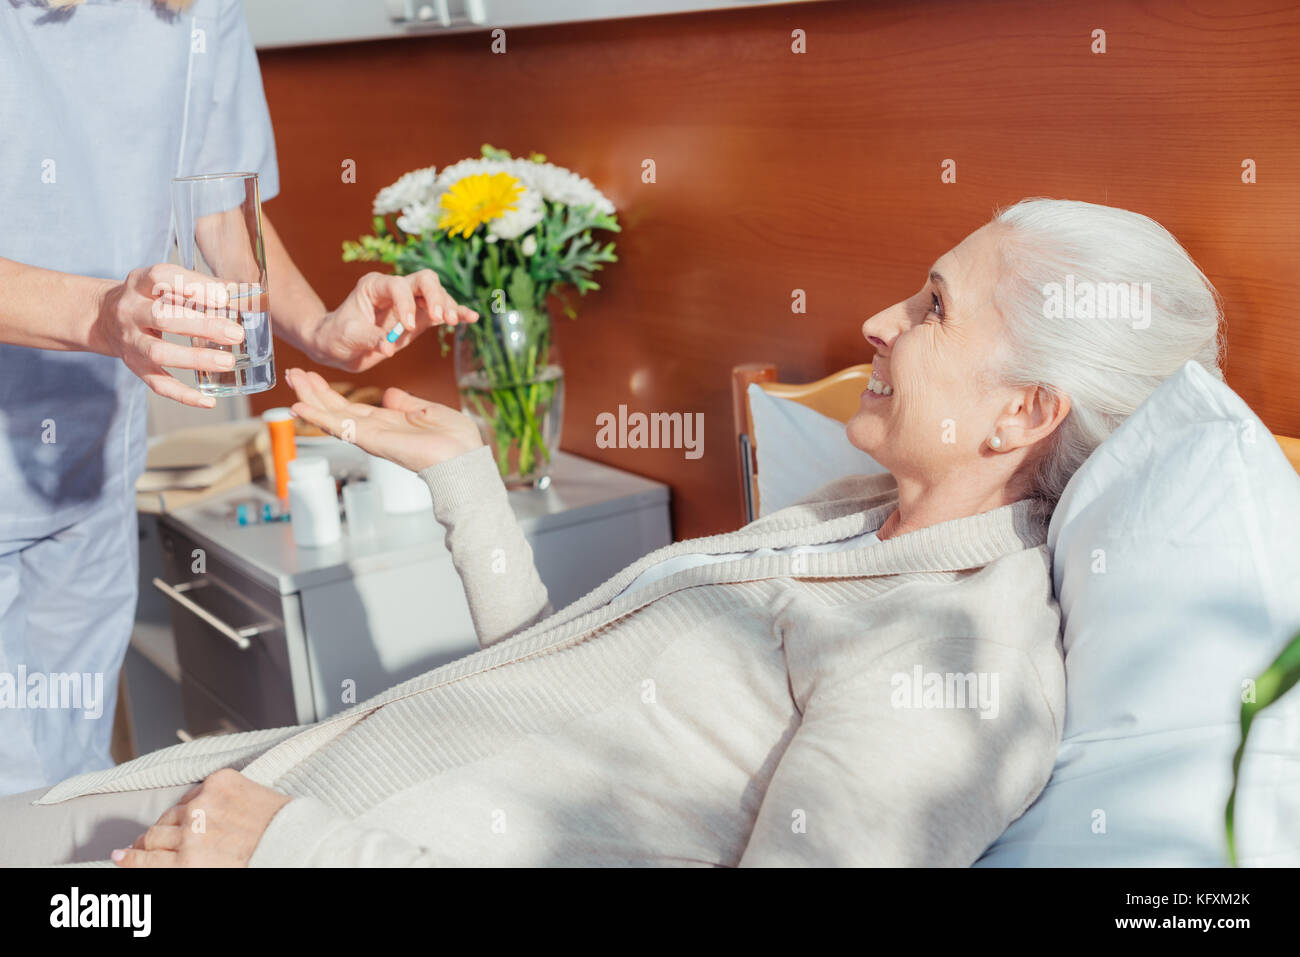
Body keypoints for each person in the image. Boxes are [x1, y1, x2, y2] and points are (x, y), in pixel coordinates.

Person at [0, 198, 1224, 866]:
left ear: (1024, 412)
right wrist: (470, 486)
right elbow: (563, 691)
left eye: (934, 307)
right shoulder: (852, 522)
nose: (875, 320)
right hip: (221, 808)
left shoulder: (954, 668)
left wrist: (297, 847)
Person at [0, 0, 476, 796]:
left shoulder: (197, 10)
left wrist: (319, 326)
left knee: (59, 782)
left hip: (83, 463)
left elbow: (221, 214)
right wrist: (100, 313)